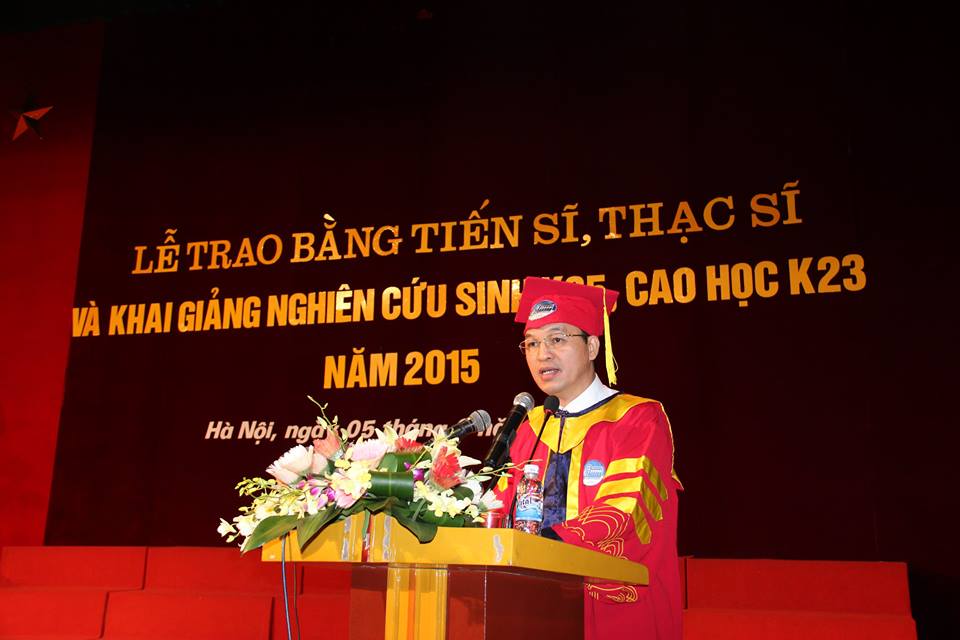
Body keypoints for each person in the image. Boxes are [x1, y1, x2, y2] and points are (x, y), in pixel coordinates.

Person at [493, 276, 682, 640]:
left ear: (593, 346)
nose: (542, 354)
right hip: (531, 607)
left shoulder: (637, 418)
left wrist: (544, 544)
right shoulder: (530, 426)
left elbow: (623, 509)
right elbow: (502, 503)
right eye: (532, 343)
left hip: (612, 613)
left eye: (557, 339)